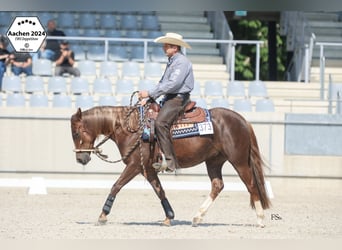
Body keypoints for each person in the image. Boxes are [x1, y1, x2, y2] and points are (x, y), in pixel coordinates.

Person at [138, 32, 194, 172]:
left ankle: (170, 162)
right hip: (171, 97)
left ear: (175, 48)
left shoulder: (181, 62)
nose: (164, 48)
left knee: (160, 123)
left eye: (167, 46)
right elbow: (163, 83)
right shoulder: (173, 61)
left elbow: (173, 84)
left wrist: (150, 93)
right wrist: (150, 98)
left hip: (178, 98)